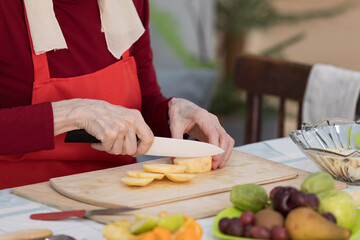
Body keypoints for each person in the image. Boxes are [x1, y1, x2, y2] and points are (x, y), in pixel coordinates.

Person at [0, 0, 234, 189]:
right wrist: (74, 113)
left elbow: (143, 103)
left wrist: (173, 112)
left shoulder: (129, 4)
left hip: (115, 191)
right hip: (19, 198)